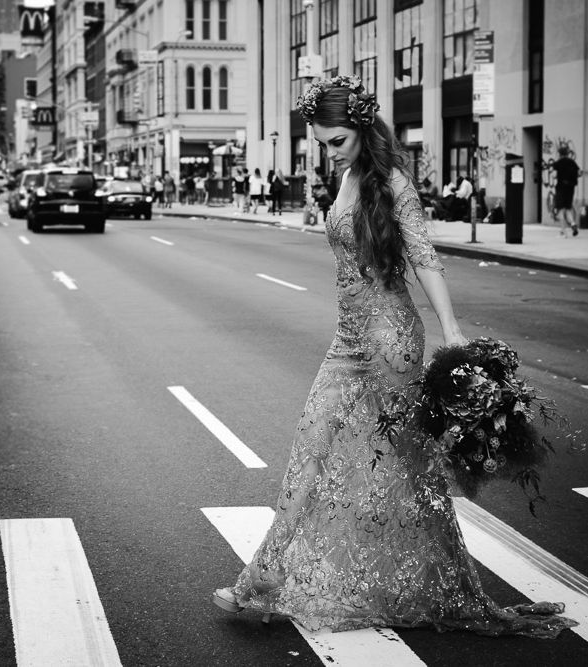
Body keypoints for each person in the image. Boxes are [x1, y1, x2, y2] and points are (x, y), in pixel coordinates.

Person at [212, 74, 576, 639]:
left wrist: (451, 329)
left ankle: (439, 587)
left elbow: (424, 256)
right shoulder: (348, 176)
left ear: (361, 129)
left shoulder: (394, 184)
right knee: (312, 452)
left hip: (390, 341)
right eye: (320, 142)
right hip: (346, 340)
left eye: (337, 141)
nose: (328, 152)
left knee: (406, 470)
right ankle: (265, 582)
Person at [552, 146, 581, 237]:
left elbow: (554, 175)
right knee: (568, 208)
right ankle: (573, 224)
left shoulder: (558, 163)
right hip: (571, 188)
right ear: (567, 153)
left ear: (559, 154)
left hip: (561, 188)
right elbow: (579, 173)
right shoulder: (573, 163)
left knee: (560, 210)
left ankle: (563, 232)